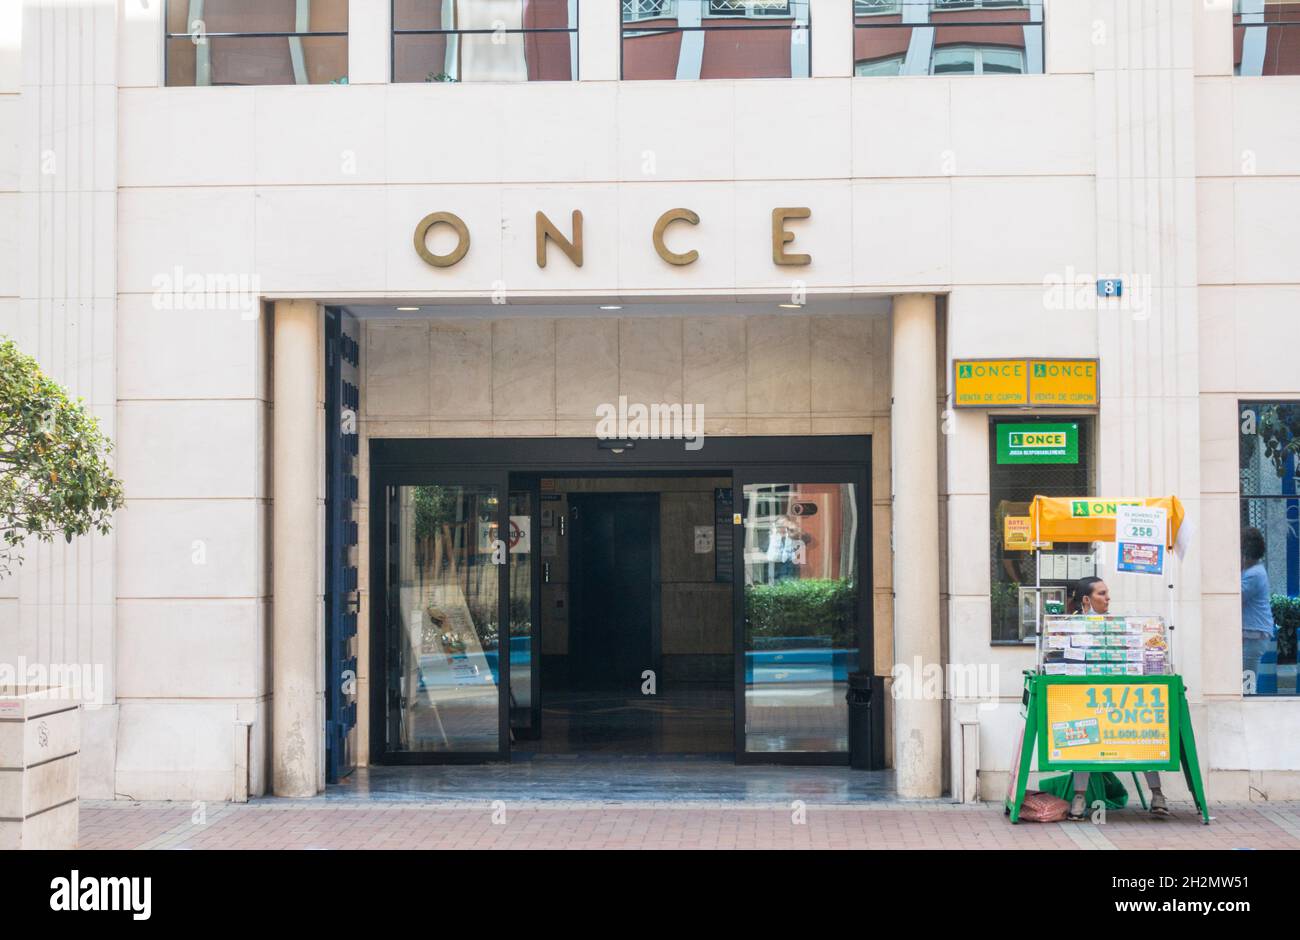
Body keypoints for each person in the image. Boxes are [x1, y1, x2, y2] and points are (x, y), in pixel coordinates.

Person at [1065, 576, 1169, 820]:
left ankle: (1157, 794)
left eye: (1107, 593)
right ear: (1086, 600)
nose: (1108, 597)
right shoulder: (1074, 626)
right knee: (1082, 739)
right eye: (1101, 594)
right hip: (1086, 696)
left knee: (1142, 735)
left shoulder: (1118, 624)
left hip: (1120, 697)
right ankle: (1079, 797)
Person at [1240, 527, 1278, 695]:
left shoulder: (1254, 574)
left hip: (1254, 632)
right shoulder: (1250, 570)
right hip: (1251, 632)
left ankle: (1248, 706)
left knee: (1247, 678)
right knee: (1245, 675)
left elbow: (1235, 596)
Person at [765, 515, 807, 582]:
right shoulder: (772, 535)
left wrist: (793, 528)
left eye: (784, 524)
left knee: (787, 583)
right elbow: (766, 548)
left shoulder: (792, 534)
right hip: (774, 564)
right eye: (780, 524)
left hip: (788, 564)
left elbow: (805, 537)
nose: (782, 527)